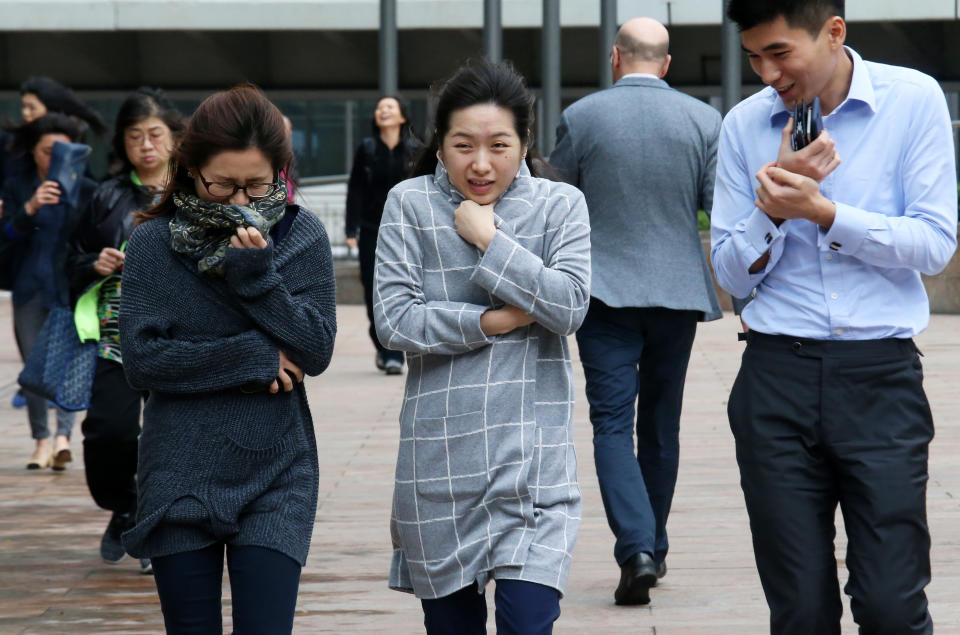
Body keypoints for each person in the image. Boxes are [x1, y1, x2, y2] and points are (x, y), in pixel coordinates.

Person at [712, 1, 957, 632]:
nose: (767, 72)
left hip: (881, 378)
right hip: (775, 377)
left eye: (780, 53)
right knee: (799, 610)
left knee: (891, 606)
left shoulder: (912, 100)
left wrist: (825, 214)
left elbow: (934, 244)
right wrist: (772, 210)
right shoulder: (744, 126)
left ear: (834, 32)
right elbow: (731, 275)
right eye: (754, 56)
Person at [374, 60, 591, 634]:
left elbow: (569, 306)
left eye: (499, 145)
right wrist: (495, 321)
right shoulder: (409, 204)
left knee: (527, 623)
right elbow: (394, 322)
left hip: (533, 469)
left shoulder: (559, 205)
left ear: (523, 144)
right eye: (463, 145)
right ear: (440, 145)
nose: (480, 163)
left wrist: (490, 240)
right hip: (439, 466)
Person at [118, 85, 337, 633]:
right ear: (190, 169)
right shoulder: (152, 244)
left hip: (277, 468)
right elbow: (142, 361)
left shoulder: (301, 236)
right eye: (222, 184)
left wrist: (258, 279)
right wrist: (251, 357)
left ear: (280, 171)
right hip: (179, 470)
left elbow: (316, 348)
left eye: (257, 184)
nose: (240, 202)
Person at [549, 17, 723, 606]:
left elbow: (555, 203)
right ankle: (654, 543)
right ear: (667, 64)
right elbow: (715, 208)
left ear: (615, 57)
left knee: (612, 425)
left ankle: (637, 547)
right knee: (661, 425)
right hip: (678, 294)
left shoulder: (582, 117)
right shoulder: (705, 120)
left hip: (605, 294)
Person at [65, 88, 184, 573]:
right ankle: (125, 503)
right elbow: (70, 257)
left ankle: (155, 529)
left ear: (175, 139)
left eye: (155, 135)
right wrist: (95, 263)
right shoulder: (105, 195)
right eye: (135, 136)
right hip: (117, 337)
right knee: (107, 434)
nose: (146, 145)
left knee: (167, 440)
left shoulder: (197, 192)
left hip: (181, 338)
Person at [1, 113, 98, 470]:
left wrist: (69, 197)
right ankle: (41, 440)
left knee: (68, 361)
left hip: (69, 287)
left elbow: (91, 238)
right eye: (45, 151)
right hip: (29, 287)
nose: (52, 158)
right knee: (33, 367)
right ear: (34, 153)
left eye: (60, 151)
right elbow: (6, 236)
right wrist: (30, 208)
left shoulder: (87, 189)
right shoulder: (18, 187)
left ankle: (62, 438)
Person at [346, 95, 422, 375]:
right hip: (370, 228)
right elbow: (355, 189)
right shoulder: (366, 148)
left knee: (407, 285)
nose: (383, 110)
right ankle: (385, 348)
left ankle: (399, 351)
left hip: (407, 229)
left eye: (390, 107)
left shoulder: (415, 148)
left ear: (402, 116)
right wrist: (350, 228)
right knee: (372, 288)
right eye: (380, 107)